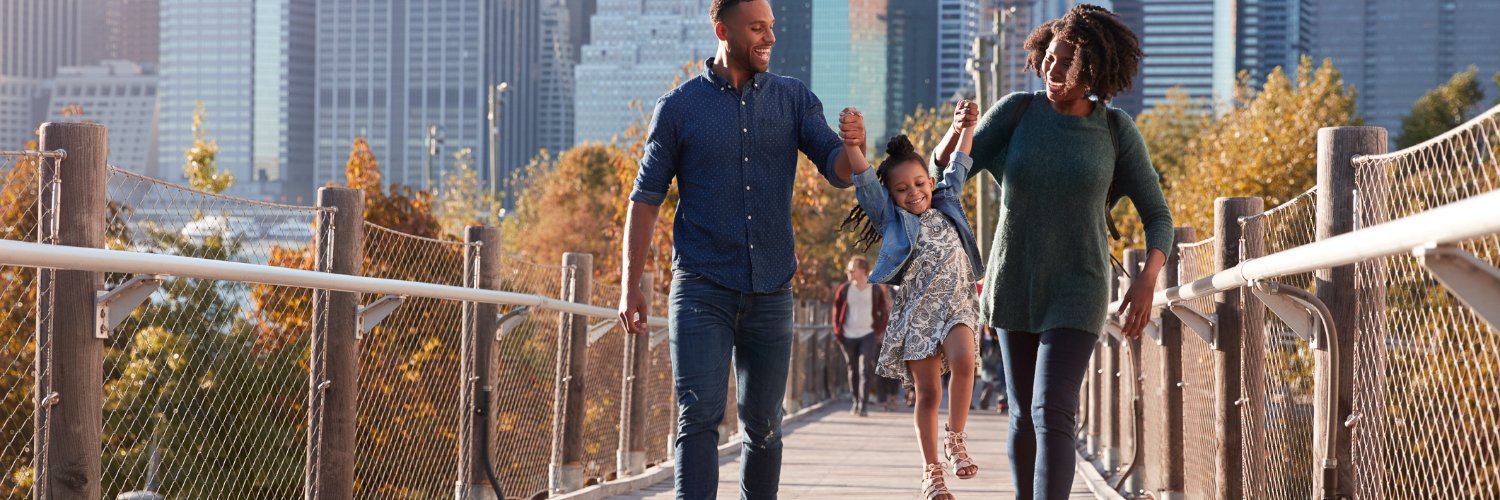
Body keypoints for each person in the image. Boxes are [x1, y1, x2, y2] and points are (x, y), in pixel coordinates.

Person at [615, 0, 867, 497]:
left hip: (772, 287)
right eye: (757, 28)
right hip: (701, 287)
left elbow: (837, 170)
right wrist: (629, 285)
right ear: (721, 29)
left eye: (771, 27)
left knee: (765, 426)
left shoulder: (794, 99)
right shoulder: (679, 107)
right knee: (699, 418)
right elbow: (644, 200)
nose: (770, 37)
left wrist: (854, 146)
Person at [931, 4, 1174, 498]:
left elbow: (1158, 216)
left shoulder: (1115, 130)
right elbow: (946, 172)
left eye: (1068, 62)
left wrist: (1148, 280)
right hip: (1013, 283)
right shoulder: (1017, 112)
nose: (1053, 70)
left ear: (1093, 70)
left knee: (1052, 409)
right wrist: (958, 128)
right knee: (1022, 413)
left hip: (1078, 288)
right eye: (1050, 58)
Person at [840, 100, 983, 500]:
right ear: (891, 194)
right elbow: (865, 178)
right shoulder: (890, 218)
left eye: (920, 183)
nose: (914, 193)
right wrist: (853, 143)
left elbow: (960, 161)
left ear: (930, 181)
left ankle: (955, 440)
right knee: (929, 392)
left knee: (964, 361)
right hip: (917, 312)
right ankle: (931, 471)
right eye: (902, 189)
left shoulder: (947, 197)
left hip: (956, 303)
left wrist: (966, 126)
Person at [832, 255, 890, 417]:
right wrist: (838, 332)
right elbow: (836, 313)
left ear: (863, 271)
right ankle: (855, 402)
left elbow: (883, 311)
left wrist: (878, 329)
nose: (849, 272)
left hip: (867, 334)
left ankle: (863, 406)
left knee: (865, 369)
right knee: (853, 370)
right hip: (848, 336)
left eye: (852, 269)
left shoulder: (875, 289)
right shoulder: (844, 289)